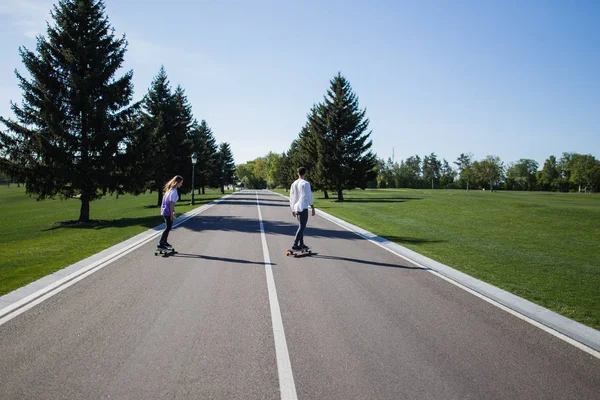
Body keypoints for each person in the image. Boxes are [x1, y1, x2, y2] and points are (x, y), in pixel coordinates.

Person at [289, 167, 315, 251]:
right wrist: (312, 206)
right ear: (305, 173)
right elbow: (309, 196)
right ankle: (295, 244)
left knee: (301, 225)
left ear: (298, 173)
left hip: (296, 207)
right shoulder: (306, 183)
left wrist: (292, 208)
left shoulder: (294, 184)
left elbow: (292, 197)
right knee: (302, 226)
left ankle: (301, 243)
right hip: (303, 207)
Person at [158, 175, 183, 250]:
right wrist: (172, 214)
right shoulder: (174, 191)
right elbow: (171, 204)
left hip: (165, 210)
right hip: (167, 211)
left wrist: (173, 212)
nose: (181, 184)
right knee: (168, 227)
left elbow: (170, 203)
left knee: (168, 227)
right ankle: (161, 243)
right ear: (177, 183)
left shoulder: (170, 190)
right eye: (181, 183)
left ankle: (164, 242)